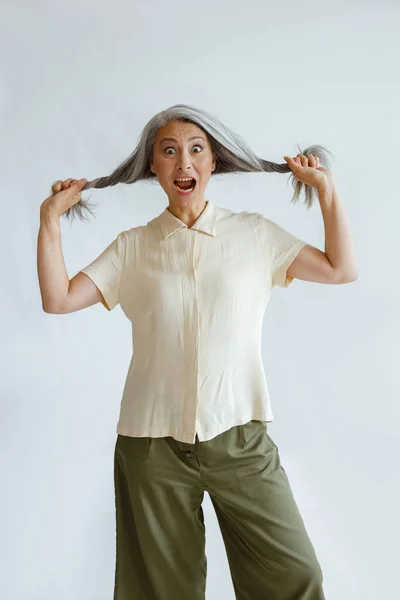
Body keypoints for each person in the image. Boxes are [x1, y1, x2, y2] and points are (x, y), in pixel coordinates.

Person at [37, 104, 358, 599]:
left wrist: (327, 194)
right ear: (153, 168)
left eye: (195, 150)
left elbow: (340, 269)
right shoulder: (132, 247)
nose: (183, 162)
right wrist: (50, 222)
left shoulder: (254, 234)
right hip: (150, 446)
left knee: (297, 577)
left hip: (241, 440)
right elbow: (58, 300)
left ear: (213, 164)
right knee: (163, 591)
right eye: (169, 152)